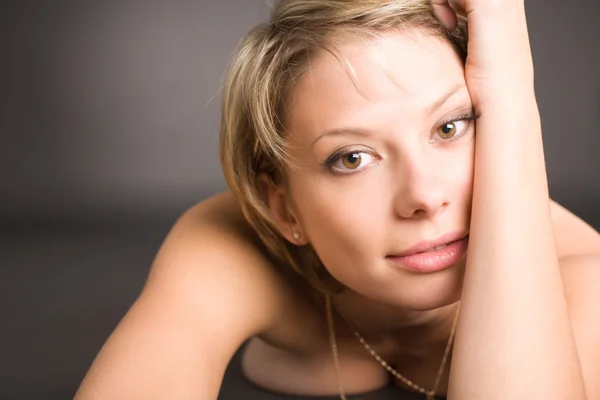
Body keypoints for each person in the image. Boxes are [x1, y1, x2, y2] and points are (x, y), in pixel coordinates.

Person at [75, 0, 600, 399]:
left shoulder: (584, 278)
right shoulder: (230, 246)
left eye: (451, 126)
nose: (423, 196)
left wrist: (511, 89)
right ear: (283, 209)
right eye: (352, 158)